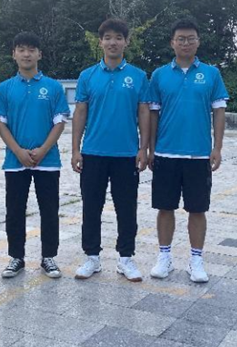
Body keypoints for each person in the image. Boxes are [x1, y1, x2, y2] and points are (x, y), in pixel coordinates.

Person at [148, 18, 229, 283]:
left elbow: (219, 111)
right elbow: (153, 114)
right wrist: (151, 149)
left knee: (197, 209)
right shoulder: (159, 75)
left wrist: (217, 147)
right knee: (165, 207)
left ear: (198, 42)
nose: (186, 43)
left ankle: (196, 260)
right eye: (180, 39)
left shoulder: (211, 74)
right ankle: (164, 256)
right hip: (166, 153)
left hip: (198, 154)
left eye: (190, 38)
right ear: (172, 43)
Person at [71, 18, 150, 282]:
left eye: (118, 37)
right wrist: (76, 149)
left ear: (126, 42)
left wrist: (143, 148)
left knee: (126, 208)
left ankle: (125, 257)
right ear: (100, 42)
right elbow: (80, 112)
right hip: (93, 152)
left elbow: (144, 113)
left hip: (126, 154)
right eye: (108, 38)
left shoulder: (138, 76)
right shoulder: (87, 76)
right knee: (91, 206)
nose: (112, 42)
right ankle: (92, 257)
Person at [0, 32, 70, 279]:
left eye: (31, 50)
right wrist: (18, 151)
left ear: (39, 54)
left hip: (48, 161)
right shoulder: (5, 89)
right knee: (14, 210)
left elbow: (59, 122)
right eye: (21, 50)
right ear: (14, 54)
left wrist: (43, 149)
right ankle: (16, 256)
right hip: (16, 161)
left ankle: (49, 256)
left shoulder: (53, 87)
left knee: (49, 210)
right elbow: (1, 124)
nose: (26, 54)